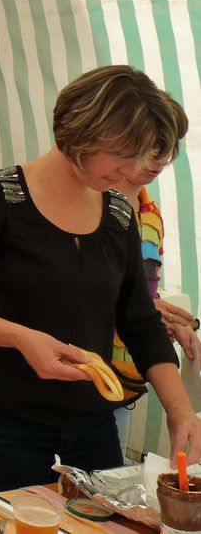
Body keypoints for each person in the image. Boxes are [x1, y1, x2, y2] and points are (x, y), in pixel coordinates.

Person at [0, 65, 201, 495]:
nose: (131, 169)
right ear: (82, 130)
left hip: (93, 428)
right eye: (123, 151)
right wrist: (21, 338)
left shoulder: (119, 215)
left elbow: (139, 322)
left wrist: (181, 411)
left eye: (138, 155)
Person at [111, 132, 197, 452]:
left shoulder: (152, 213)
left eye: (169, 149)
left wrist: (172, 323)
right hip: (86, 380)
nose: (160, 159)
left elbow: (147, 291)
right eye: (152, 148)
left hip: (128, 383)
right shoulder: (92, 209)